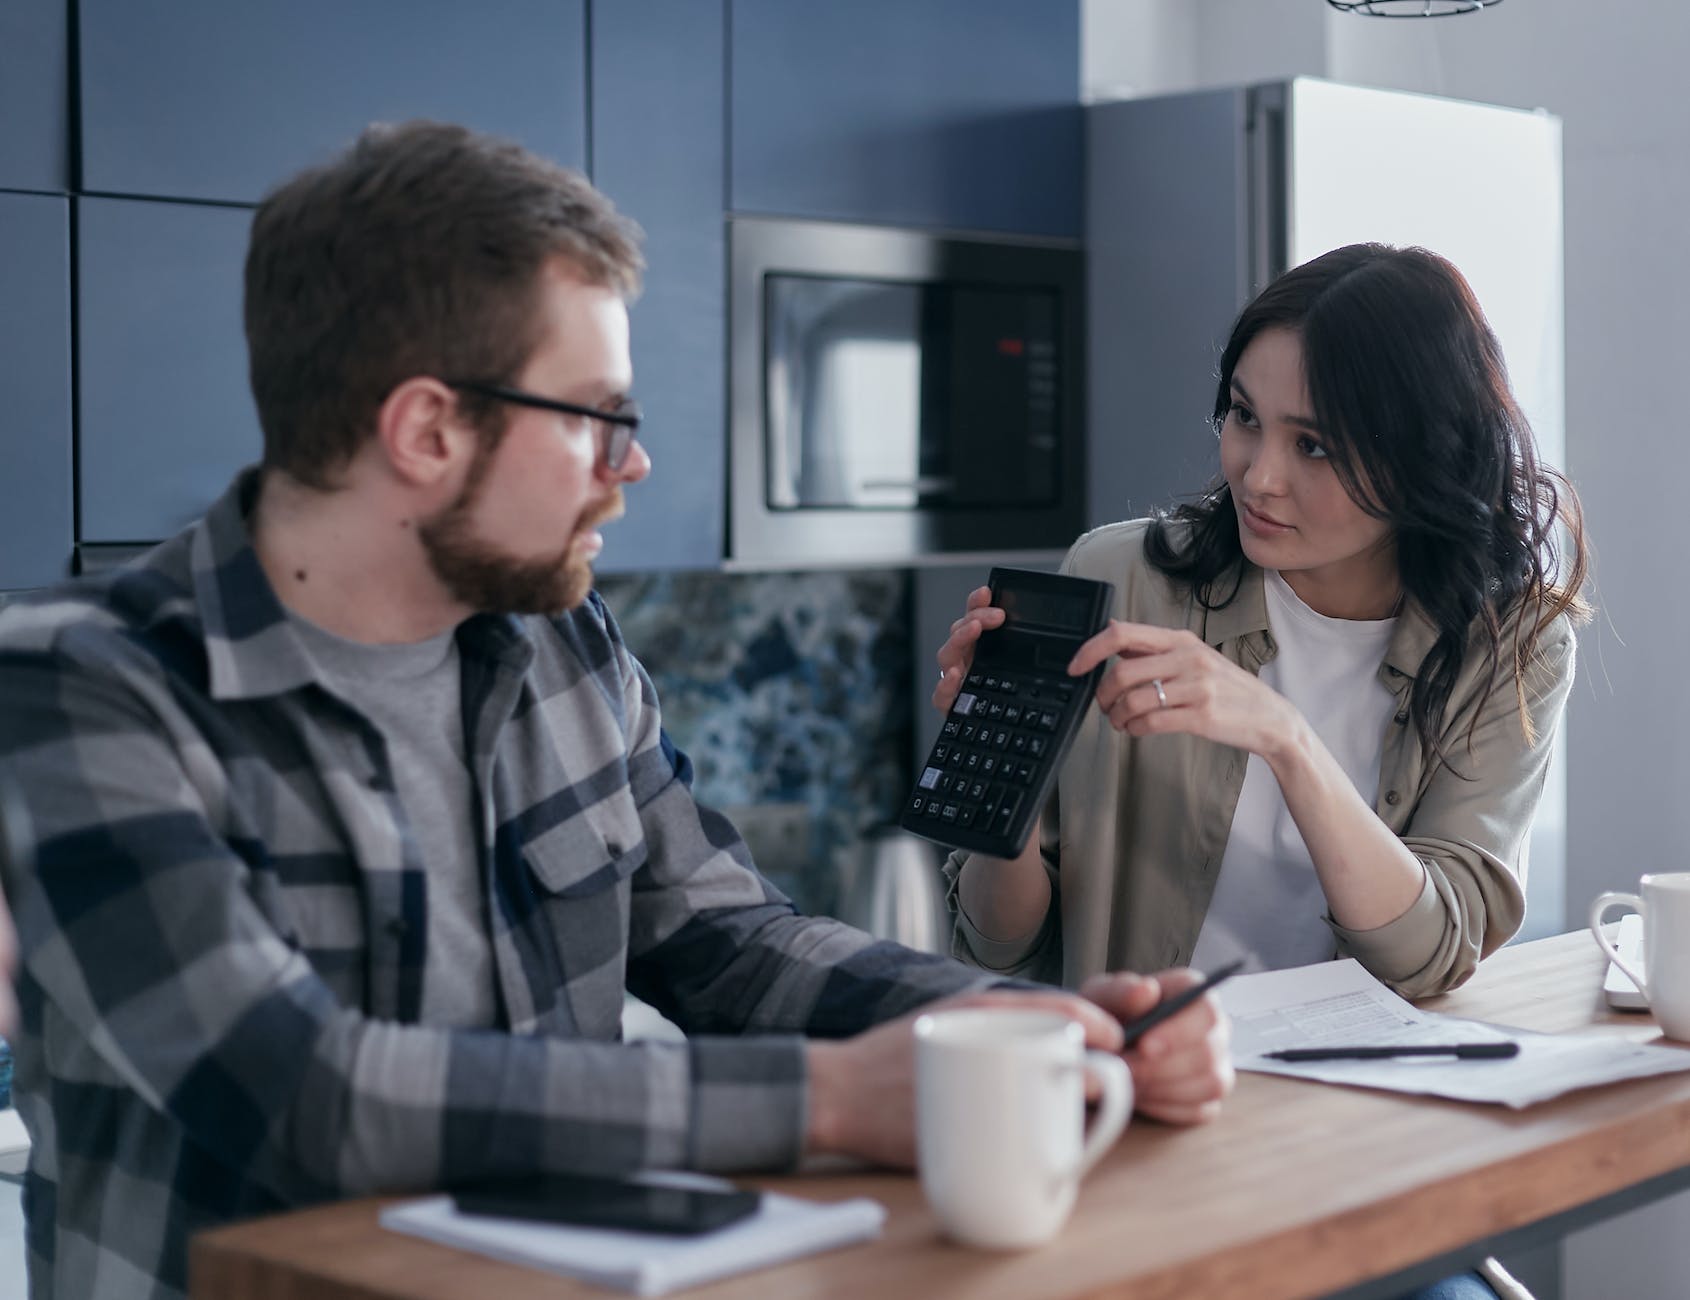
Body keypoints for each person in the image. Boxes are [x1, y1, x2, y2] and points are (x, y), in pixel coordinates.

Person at [0, 121, 1231, 1300]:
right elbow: (302, 1095)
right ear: (427, 426)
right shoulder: (88, 689)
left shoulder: (558, 638)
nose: (630, 464)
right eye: (599, 416)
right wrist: (829, 1100)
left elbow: (730, 944)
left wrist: (1028, 1026)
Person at [935, 243, 1586, 1300]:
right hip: (1137, 1136)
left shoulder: (1511, 642)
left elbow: (1430, 952)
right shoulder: (1121, 575)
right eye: (1243, 417)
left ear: (1423, 453)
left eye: (1315, 443)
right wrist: (996, 762)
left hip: (1365, 1142)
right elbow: (998, 940)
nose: (1257, 472)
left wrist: (1281, 734)